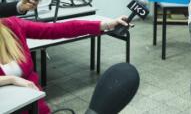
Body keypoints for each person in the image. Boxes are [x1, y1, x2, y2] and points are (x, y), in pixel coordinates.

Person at [0, 15, 129, 114]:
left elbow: (58, 29)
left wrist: (106, 25)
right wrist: (10, 79)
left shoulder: (11, 25)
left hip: (35, 107)